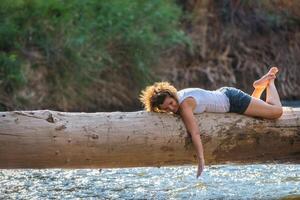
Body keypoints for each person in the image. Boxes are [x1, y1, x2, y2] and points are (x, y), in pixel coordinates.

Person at [139, 67, 283, 178]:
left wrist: (201, 159)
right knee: (256, 116)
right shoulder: (179, 96)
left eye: (171, 103)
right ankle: (258, 88)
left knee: (276, 112)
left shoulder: (184, 105)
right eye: (166, 109)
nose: (172, 108)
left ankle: (269, 82)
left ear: (172, 95)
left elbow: (194, 132)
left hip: (232, 100)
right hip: (224, 95)